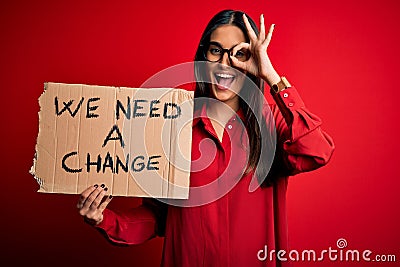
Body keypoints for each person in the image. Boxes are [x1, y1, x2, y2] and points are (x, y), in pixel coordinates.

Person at [76, 10, 334, 267]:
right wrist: (104, 219)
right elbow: (159, 216)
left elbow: (317, 151)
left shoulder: (272, 122)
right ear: (203, 57)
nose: (225, 63)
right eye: (216, 50)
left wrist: (272, 77)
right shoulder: (173, 124)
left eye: (239, 53)